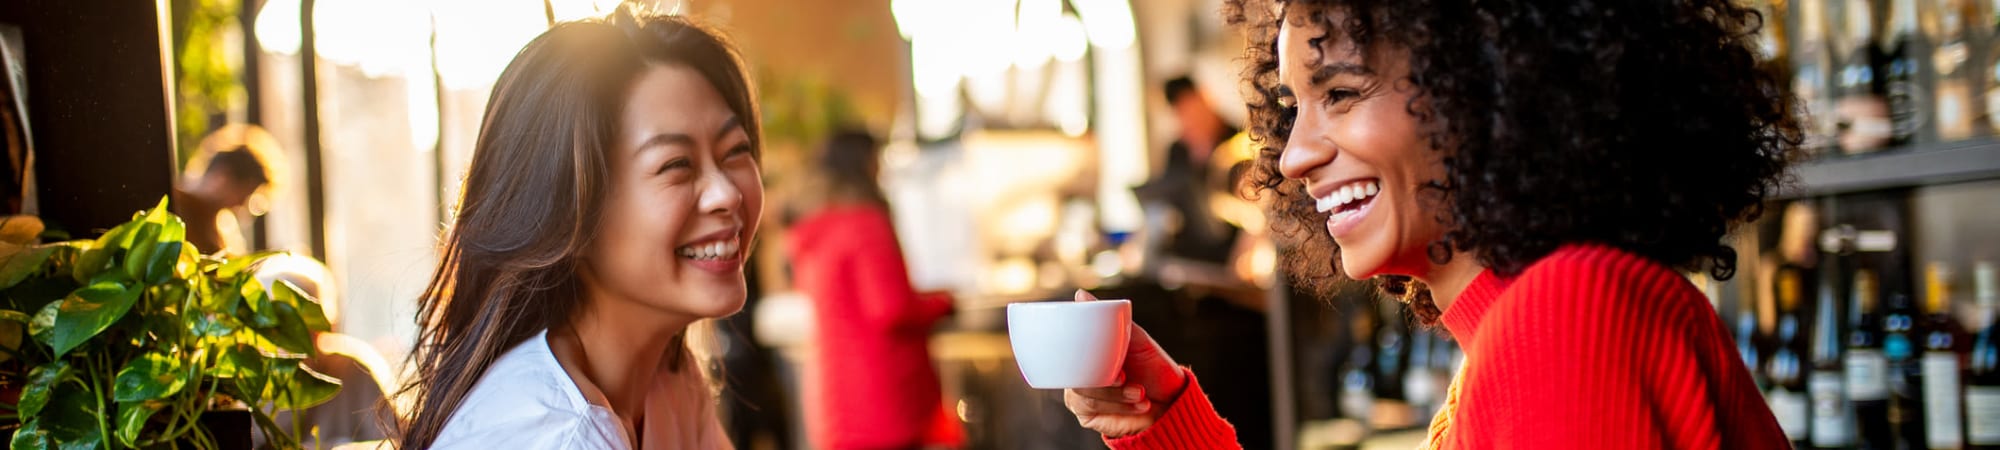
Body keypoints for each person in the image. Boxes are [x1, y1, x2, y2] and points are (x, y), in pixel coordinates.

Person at [1063, 0, 1798, 448]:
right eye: (1294, 109)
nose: (1293, 157)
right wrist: (1163, 423)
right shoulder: (1508, 333)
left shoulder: (1566, 313)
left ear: (1494, 86)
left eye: (1342, 92)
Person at [395, 8, 763, 450]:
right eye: (676, 165)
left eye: (735, 150)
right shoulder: (555, 436)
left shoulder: (669, 380)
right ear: (571, 211)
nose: (727, 193)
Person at [785, 130, 959, 449]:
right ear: (864, 165)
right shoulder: (865, 223)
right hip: (882, 396)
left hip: (836, 399)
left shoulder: (813, 228)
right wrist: (943, 303)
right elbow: (890, 308)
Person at [174, 124, 284, 255]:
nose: (241, 206)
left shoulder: (223, 226)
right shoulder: (177, 204)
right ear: (224, 176)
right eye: (243, 197)